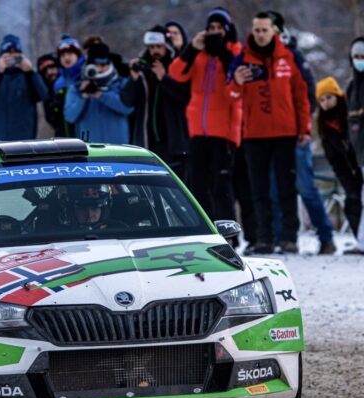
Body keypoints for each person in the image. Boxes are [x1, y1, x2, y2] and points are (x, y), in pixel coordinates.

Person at [228, 12, 311, 255]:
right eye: (257, 30)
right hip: (254, 135)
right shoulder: (241, 58)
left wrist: (304, 127)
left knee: (287, 187)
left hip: (286, 132)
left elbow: (300, 95)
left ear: (273, 32)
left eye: (265, 30)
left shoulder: (288, 56)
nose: (261, 34)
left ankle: (289, 237)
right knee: (259, 190)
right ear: (252, 31)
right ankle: (264, 238)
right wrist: (237, 83)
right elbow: (230, 95)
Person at [267, 11, 335, 255]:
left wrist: (303, 127)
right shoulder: (260, 55)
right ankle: (282, 237)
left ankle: (325, 236)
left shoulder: (292, 55)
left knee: (305, 186)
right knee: (275, 188)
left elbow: (308, 94)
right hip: (271, 135)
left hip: (296, 134)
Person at [169, 6, 242, 222]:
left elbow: (236, 84)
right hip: (198, 129)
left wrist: (223, 52)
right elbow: (176, 74)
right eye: (211, 27)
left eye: (219, 27)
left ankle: (229, 232)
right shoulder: (199, 53)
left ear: (227, 30)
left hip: (224, 130)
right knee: (198, 184)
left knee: (222, 185)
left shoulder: (235, 51)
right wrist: (192, 48)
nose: (215, 31)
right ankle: (205, 229)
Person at [124, 25, 190, 176]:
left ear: (166, 46)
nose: (155, 51)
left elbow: (185, 97)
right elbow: (127, 101)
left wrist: (163, 79)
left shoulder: (177, 66)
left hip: (173, 143)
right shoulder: (143, 69)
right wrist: (133, 79)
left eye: (159, 46)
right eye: (152, 47)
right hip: (148, 141)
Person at [316, 77, 364, 255]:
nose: (325, 103)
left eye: (328, 97)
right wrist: (347, 181)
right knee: (353, 202)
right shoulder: (325, 127)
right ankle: (360, 240)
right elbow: (334, 159)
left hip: (361, 161)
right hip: (350, 170)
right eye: (321, 100)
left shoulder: (351, 111)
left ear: (337, 95)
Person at [0, 34, 48, 142]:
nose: (12, 56)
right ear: (1, 55)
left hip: (25, 140)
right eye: (8, 53)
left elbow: (42, 94)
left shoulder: (28, 75)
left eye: (15, 53)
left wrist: (30, 73)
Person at [64, 42, 133, 144]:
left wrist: (101, 95)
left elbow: (128, 108)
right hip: (90, 150)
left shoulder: (121, 83)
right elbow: (70, 117)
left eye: (103, 64)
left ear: (109, 64)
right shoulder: (77, 88)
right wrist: (83, 97)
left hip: (118, 149)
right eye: (95, 65)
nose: (99, 69)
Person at [51, 34, 85, 137]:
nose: (66, 58)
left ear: (78, 55)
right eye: (62, 55)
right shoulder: (58, 82)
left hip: (84, 133)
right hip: (64, 136)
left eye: (70, 53)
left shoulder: (85, 75)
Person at [347, 38, 364, 169]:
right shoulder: (352, 87)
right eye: (356, 57)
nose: (360, 60)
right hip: (359, 155)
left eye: (363, 56)